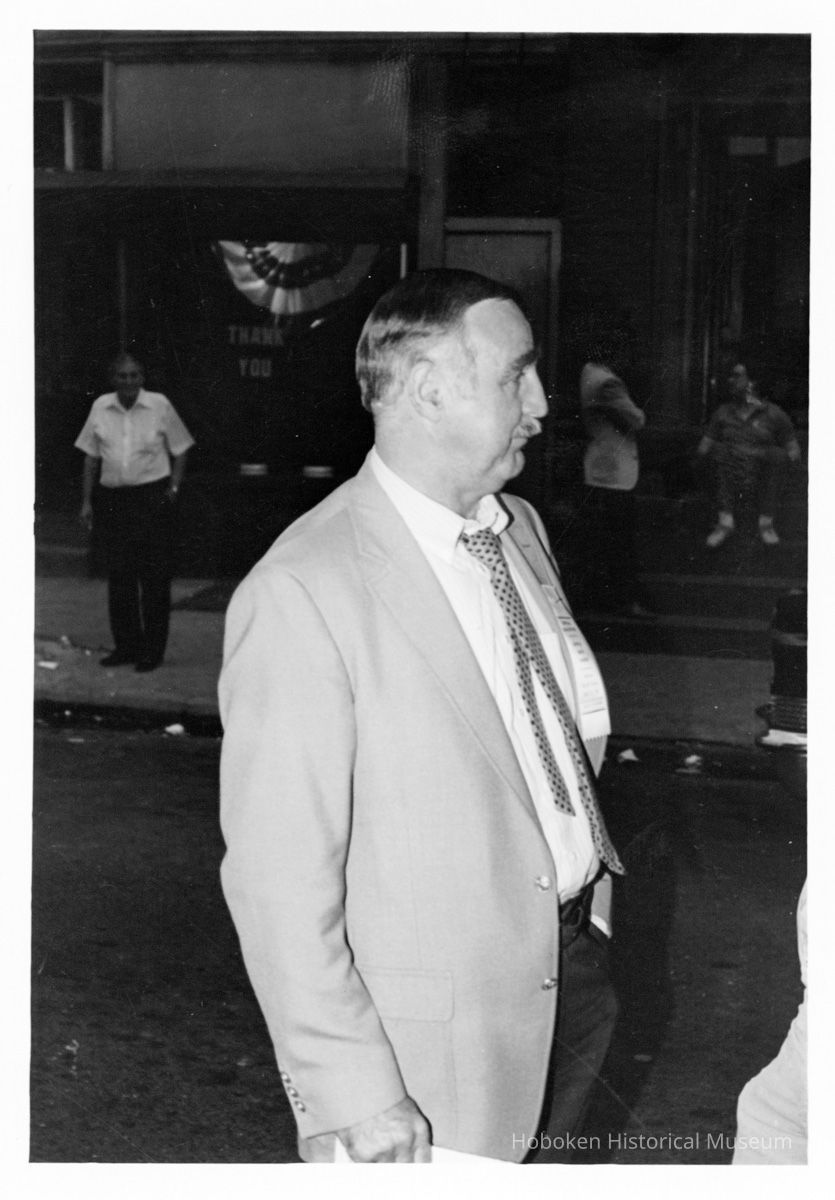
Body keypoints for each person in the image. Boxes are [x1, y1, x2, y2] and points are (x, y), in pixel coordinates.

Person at [219, 268, 624, 1164]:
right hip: (435, 1052)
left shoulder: (514, 526)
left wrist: (584, 916)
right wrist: (353, 1093)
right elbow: (278, 883)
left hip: (570, 976)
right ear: (429, 389)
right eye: (516, 375)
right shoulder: (304, 588)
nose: (544, 402)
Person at [75, 353, 194, 671]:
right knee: (120, 577)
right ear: (113, 379)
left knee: (154, 577)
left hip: (151, 498)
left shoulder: (159, 405)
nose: (129, 382)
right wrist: (87, 502)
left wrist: (174, 488)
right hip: (114, 501)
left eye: (135, 375)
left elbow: (181, 448)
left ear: (143, 378)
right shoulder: (101, 406)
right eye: (122, 376)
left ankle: (152, 652)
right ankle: (126, 647)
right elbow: (90, 458)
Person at [696, 361, 801, 548]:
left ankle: (766, 524)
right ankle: (725, 523)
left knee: (777, 455)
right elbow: (703, 448)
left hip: (761, 478)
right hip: (730, 475)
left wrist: (761, 454)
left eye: (737, 376)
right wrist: (733, 453)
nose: (730, 380)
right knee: (718, 452)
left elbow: (793, 451)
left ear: (752, 382)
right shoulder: (722, 413)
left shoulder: (775, 414)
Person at [579, 355, 653, 616]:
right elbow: (635, 419)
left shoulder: (589, 372)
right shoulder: (607, 382)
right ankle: (624, 600)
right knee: (620, 540)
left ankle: (610, 598)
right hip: (615, 470)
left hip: (600, 465)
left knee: (607, 538)